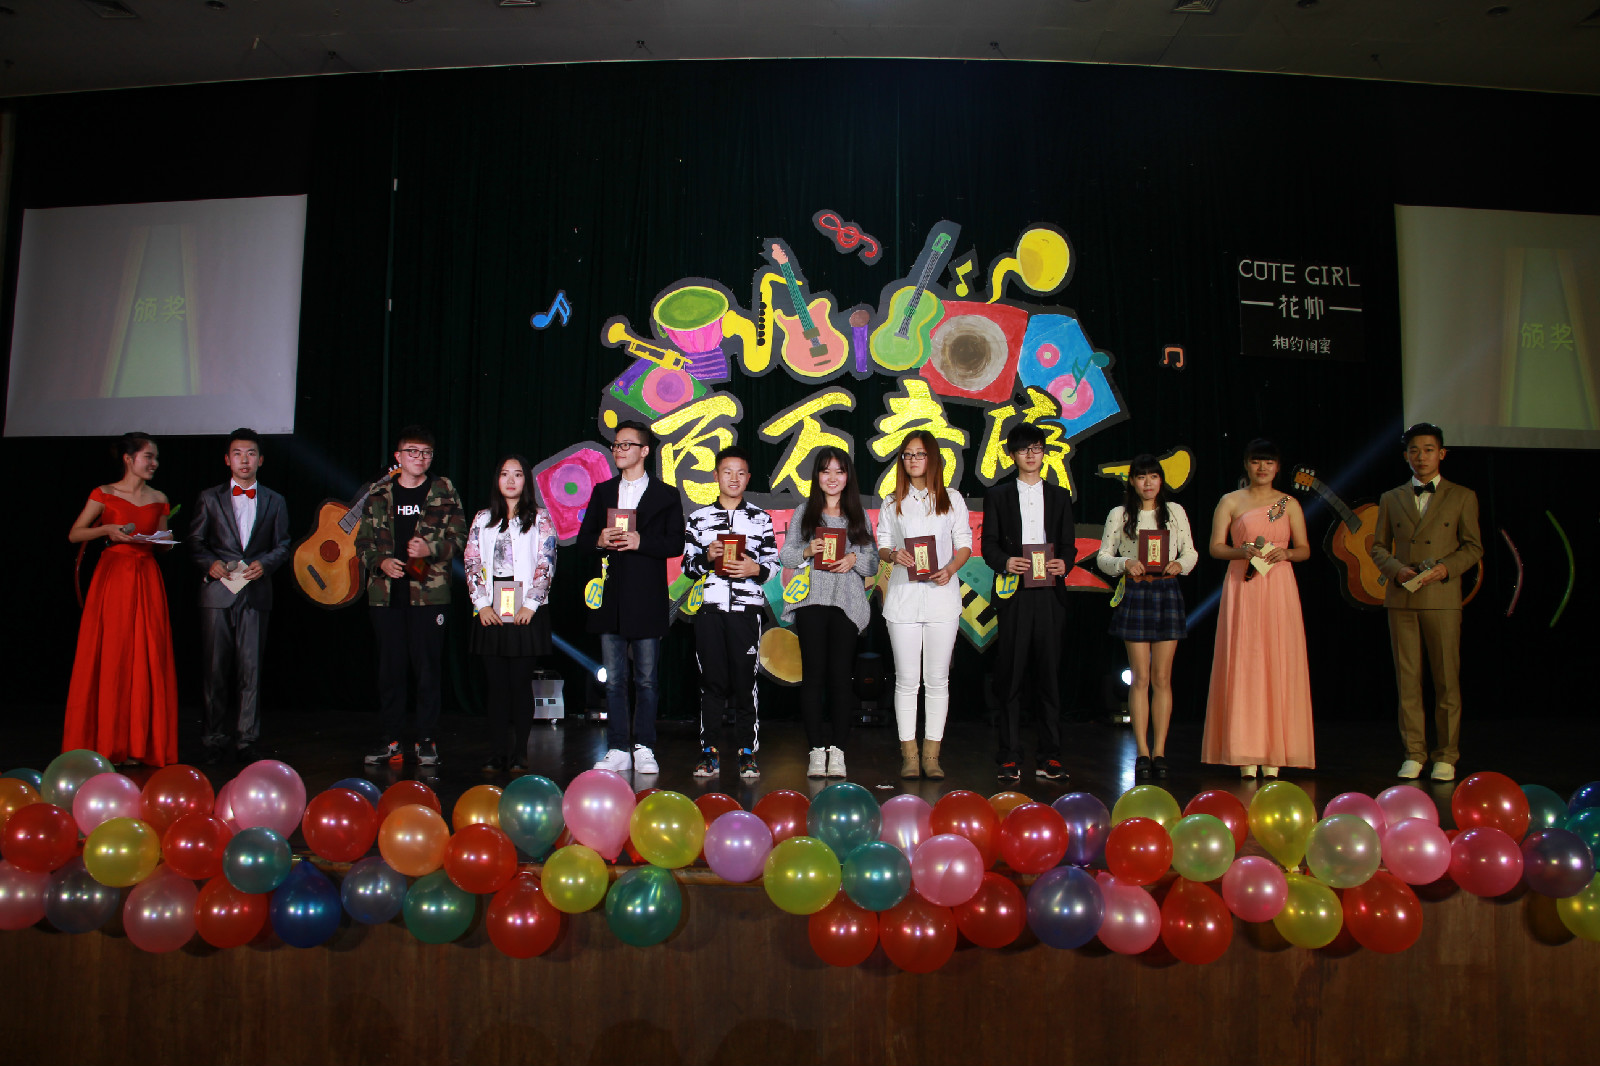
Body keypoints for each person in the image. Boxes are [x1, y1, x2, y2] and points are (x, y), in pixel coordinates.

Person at [1369, 423, 1483, 782]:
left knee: (1446, 679)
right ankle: (1414, 753)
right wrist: (1396, 569)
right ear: (1406, 455)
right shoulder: (1391, 497)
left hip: (1442, 598)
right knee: (1408, 681)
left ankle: (1446, 754)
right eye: (1415, 450)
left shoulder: (1462, 496)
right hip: (1402, 597)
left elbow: (1473, 547)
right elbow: (1378, 546)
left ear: (1441, 454)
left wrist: (1445, 569)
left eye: (1429, 450)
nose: (1421, 457)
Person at [1201, 439, 1315, 777]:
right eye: (1256, 461)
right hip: (1243, 584)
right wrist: (1242, 552)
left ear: (1277, 467)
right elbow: (1215, 547)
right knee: (1245, 660)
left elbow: (1304, 549)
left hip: (1279, 585)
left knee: (1278, 660)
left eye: (1268, 462)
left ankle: (1275, 752)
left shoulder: (1289, 503)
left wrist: (1287, 553)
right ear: (1246, 465)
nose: (1262, 468)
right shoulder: (1230, 501)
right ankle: (1244, 750)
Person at [64, 432, 179, 767]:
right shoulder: (105, 493)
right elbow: (75, 533)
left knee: (147, 654)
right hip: (114, 577)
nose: (155, 463)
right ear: (129, 459)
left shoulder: (159, 498)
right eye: (148, 457)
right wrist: (107, 530)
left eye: (156, 457)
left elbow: (162, 542)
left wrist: (165, 539)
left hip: (147, 577)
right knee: (114, 654)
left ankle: (139, 744)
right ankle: (107, 742)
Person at [578, 421, 684, 776]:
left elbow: (676, 543)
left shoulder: (665, 494)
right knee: (615, 680)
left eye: (626, 445)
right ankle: (618, 747)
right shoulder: (604, 491)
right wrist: (600, 539)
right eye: (616, 445)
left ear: (644, 451)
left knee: (647, 680)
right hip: (611, 599)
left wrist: (641, 541)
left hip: (648, 598)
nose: (619, 450)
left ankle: (645, 746)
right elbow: (584, 540)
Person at [356, 426, 466, 767]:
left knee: (428, 669)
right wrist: (380, 562)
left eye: (426, 453)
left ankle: (426, 739)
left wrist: (430, 548)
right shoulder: (379, 493)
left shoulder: (444, 489)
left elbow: (461, 538)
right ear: (398, 456)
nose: (420, 458)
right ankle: (391, 739)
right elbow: (362, 543)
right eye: (413, 452)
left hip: (429, 595)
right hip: (386, 596)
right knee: (390, 670)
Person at [184, 428, 291, 764]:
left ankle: (247, 740)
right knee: (215, 671)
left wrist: (266, 564)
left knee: (251, 671)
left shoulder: (275, 500)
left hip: (255, 594)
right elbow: (195, 542)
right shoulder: (209, 498)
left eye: (250, 453)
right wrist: (210, 563)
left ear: (260, 460)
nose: (244, 460)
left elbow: (283, 544)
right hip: (218, 594)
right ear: (227, 460)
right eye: (237, 453)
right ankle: (213, 738)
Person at [981, 423, 1075, 783]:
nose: (1031, 455)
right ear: (1012, 455)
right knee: (1011, 675)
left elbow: (1068, 545)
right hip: (1014, 593)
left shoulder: (1060, 496)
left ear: (1044, 452)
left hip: (1050, 594)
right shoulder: (998, 495)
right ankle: (1009, 755)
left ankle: (1051, 755)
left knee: (1049, 676)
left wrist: (1064, 563)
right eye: (1023, 449)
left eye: (1036, 448)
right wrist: (1006, 561)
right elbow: (989, 545)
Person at [876, 429, 972, 779]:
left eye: (919, 454)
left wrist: (950, 569)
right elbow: (882, 543)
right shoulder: (892, 502)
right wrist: (893, 555)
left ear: (932, 458)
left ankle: (932, 755)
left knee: (937, 680)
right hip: (902, 600)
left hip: (941, 600)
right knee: (906, 681)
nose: (913, 460)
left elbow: (964, 543)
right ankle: (910, 754)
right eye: (907, 455)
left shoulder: (951, 499)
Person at [778, 447, 878, 780]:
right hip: (811, 601)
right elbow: (787, 556)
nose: (832, 478)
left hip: (846, 603)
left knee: (840, 678)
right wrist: (809, 549)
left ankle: (838, 751)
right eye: (825, 471)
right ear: (817, 476)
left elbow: (873, 562)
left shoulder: (857, 515)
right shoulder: (804, 512)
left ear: (848, 477)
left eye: (839, 471)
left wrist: (853, 559)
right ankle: (815, 750)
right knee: (813, 677)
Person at [1097, 454, 1199, 780]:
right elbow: (1103, 557)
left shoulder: (1175, 512)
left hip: (1167, 591)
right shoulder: (1120, 514)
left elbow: (1191, 551)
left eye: (1154, 476)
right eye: (1141, 477)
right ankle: (1142, 750)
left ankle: (1160, 751)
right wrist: (1124, 564)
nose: (1148, 483)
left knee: (1162, 678)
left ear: (1161, 480)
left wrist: (1181, 564)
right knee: (1140, 677)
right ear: (1132, 481)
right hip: (1136, 591)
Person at [684, 447, 779, 780]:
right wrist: (706, 558)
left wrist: (755, 569)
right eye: (727, 472)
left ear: (748, 478)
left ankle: (747, 753)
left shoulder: (760, 518)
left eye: (740, 473)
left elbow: (773, 565)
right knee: (711, 682)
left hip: (746, 611)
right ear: (716, 476)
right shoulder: (698, 518)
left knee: (744, 682)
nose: (734, 478)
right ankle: (708, 753)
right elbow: (688, 567)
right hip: (709, 610)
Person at [465, 454, 557, 773]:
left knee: (519, 684)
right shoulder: (482, 518)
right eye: (505, 474)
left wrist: (531, 604)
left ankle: (520, 753)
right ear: (497, 480)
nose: (510, 480)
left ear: (525, 481)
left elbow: (546, 561)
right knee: (496, 686)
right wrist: (481, 604)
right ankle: (497, 752)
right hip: (491, 609)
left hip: (526, 611)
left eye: (517, 474)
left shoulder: (540, 518)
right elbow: (472, 561)